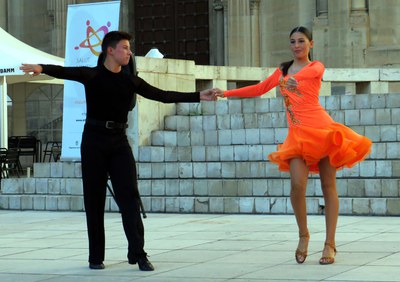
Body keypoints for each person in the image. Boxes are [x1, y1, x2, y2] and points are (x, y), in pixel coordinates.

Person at [20, 31, 216, 271]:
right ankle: (95, 257)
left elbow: (162, 95)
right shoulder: (91, 75)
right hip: (93, 141)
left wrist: (199, 95)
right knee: (94, 200)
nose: (129, 52)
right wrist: (41, 67)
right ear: (109, 50)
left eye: (129, 48)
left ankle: (138, 253)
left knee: (130, 198)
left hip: (119, 142)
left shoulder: (130, 80)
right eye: (125, 47)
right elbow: (65, 70)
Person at [214, 26, 372, 265]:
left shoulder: (315, 66)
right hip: (298, 135)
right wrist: (226, 92)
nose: (297, 45)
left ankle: (330, 244)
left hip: (323, 131)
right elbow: (260, 88)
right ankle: (303, 235)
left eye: (301, 41)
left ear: (311, 43)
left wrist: (286, 80)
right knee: (297, 185)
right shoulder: (283, 70)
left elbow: (305, 77)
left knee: (328, 186)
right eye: (293, 42)